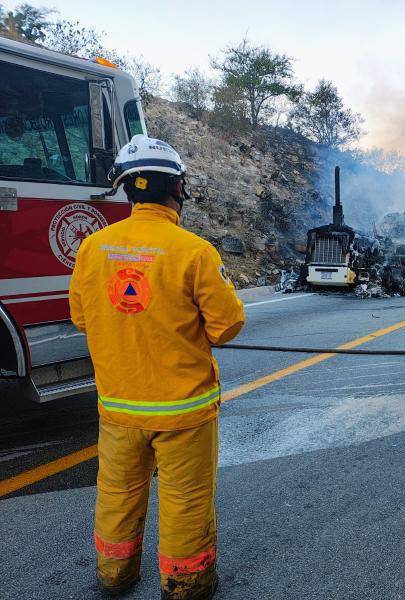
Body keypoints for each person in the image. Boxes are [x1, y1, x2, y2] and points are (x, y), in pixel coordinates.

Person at [69, 134, 246, 599]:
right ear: (177, 188)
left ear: (128, 189)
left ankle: (115, 575)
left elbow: (82, 317)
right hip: (183, 411)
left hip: (119, 408)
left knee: (117, 493)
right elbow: (226, 326)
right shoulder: (194, 251)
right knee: (186, 499)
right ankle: (186, 584)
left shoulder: (92, 248)